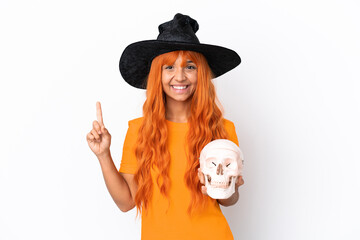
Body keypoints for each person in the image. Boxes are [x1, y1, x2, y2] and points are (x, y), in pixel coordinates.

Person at [86, 13, 244, 240]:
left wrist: (231, 187)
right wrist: (103, 154)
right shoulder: (139, 130)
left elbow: (228, 200)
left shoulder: (223, 129)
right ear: (156, 75)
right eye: (169, 67)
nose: (179, 76)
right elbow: (126, 202)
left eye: (190, 67)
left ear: (201, 74)